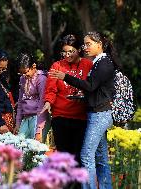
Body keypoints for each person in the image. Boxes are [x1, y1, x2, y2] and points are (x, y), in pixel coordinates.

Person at [49, 31, 118, 189]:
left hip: (99, 114)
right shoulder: (98, 62)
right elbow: (94, 89)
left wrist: (65, 77)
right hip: (96, 113)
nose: (85, 47)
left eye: (89, 44)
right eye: (85, 44)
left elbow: (90, 85)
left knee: (86, 156)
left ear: (99, 44)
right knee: (100, 158)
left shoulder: (103, 62)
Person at [41, 34, 93, 165]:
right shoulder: (56, 66)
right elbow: (51, 89)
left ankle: (77, 185)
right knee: (64, 158)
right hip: (60, 117)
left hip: (81, 118)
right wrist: (48, 102)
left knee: (78, 157)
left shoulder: (88, 65)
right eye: (64, 52)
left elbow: (92, 87)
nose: (67, 55)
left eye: (71, 51)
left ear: (79, 50)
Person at [14, 53, 48, 142]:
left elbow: (42, 104)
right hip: (25, 117)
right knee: (19, 145)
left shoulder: (41, 79)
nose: (23, 75)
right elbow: (20, 101)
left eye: (26, 72)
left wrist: (39, 129)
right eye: (21, 73)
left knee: (35, 148)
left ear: (33, 66)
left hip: (38, 118)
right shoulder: (22, 79)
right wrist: (18, 123)